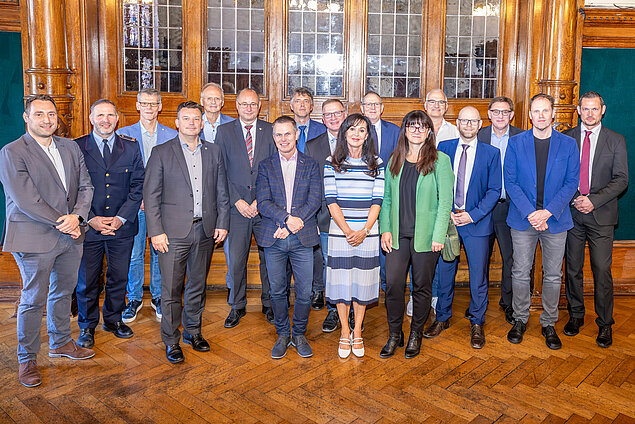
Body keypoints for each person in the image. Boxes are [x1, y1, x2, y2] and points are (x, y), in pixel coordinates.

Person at [0, 94, 95, 387]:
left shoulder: (69, 146)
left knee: (63, 292)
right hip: (34, 236)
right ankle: (26, 358)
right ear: (27, 118)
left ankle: (61, 342)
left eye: (51, 114)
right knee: (32, 299)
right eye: (39, 114)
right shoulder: (13, 151)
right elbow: (26, 199)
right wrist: (63, 221)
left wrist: (77, 217)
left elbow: (86, 186)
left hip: (72, 233)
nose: (47, 120)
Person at [143, 101, 230, 363]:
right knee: (171, 290)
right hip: (171, 234)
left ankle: (193, 331)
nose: (192, 123)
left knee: (196, 286)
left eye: (196, 119)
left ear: (202, 123)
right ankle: (171, 340)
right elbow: (151, 194)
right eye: (186, 119)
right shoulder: (161, 152)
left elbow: (222, 193)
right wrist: (155, 232)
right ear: (177, 123)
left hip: (204, 231)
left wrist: (223, 222)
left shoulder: (214, 152)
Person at [504, 93, 579, 350]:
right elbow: (510, 182)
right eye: (536, 111)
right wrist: (531, 213)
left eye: (545, 111)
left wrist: (547, 212)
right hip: (523, 219)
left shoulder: (568, 145)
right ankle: (520, 319)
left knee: (553, 275)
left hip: (555, 220)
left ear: (553, 114)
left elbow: (571, 183)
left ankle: (549, 322)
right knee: (520, 272)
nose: (540, 115)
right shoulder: (515, 143)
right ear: (530, 115)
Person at [378, 110, 453, 359]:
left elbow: (445, 203)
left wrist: (438, 235)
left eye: (422, 126)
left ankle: (415, 333)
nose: (417, 130)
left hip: (426, 236)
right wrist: (385, 230)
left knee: (421, 287)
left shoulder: (440, 160)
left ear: (429, 131)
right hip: (397, 235)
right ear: (405, 130)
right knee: (394, 285)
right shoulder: (394, 159)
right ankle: (394, 334)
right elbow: (387, 199)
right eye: (412, 126)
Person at [74, 99, 145, 349]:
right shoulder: (76, 147)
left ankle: (113, 320)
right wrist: (91, 218)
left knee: (119, 277)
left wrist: (120, 218)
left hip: (121, 227)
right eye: (100, 115)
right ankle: (87, 325)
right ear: (91, 118)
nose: (105, 120)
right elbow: (71, 188)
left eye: (110, 115)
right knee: (87, 280)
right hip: (88, 227)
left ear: (117, 119)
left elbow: (138, 186)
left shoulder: (131, 148)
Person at [432, 106, 501, 349]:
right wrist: (447, 211)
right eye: (464, 120)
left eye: (473, 121)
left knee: (478, 276)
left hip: (477, 223)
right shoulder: (444, 148)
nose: (468, 125)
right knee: (445, 272)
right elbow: (436, 183)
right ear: (457, 122)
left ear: (480, 124)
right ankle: (442, 317)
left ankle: (477, 321)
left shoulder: (491, 153)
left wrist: (472, 215)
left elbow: (494, 190)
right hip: (448, 222)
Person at [563, 91, 628, 348]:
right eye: (585, 109)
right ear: (578, 110)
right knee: (572, 268)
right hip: (571, 213)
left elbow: (622, 179)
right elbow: (560, 175)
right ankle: (576, 315)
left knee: (601, 271)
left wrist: (593, 199)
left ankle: (605, 324)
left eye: (594, 109)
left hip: (601, 215)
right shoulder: (566, 138)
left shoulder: (616, 140)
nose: (589, 114)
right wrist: (575, 198)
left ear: (603, 110)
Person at [255, 116, 322, 359]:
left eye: (287, 134)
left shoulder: (311, 164)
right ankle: (283, 334)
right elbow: (263, 202)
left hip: (302, 238)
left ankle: (300, 333)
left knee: (304, 291)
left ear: (296, 135)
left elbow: (315, 200)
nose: (283, 139)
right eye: (278, 135)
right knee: (277, 291)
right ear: (273, 138)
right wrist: (285, 220)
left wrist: (292, 224)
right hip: (274, 236)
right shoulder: (265, 166)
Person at [324, 113, 384, 359]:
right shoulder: (332, 162)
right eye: (352, 130)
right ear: (344, 134)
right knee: (341, 283)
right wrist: (349, 231)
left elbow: (377, 199)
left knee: (363, 282)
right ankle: (344, 331)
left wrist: (364, 231)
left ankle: (358, 330)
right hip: (340, 233)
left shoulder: (377, 163)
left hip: (368, 233)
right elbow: (331, 200)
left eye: (361, 130)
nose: (356, 135)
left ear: (367, 135)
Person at [216, 88, 276, 328]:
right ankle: (237, 305)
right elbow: (219, 171)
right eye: (244, 104)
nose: (249, 108)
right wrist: (237, 201)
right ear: (236, 106)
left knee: (268, 258)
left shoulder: (270, 130)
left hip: (265, 207)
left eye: (253, 104)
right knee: (237, 259)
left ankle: (269, 303)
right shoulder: (224, 132)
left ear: (259, 107)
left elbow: (275, 169)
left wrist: (260, 201)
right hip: (236, 207)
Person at [117, 88, 178, 323]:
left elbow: (174, 173)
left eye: (154, 104)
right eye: (145, 103)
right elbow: (122, 174)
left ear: (160, 106)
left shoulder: (172, 135)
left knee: (159, 251)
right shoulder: (123, 135)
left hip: (162, 206)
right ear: (137, 105)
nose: (149, 108)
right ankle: (133, 298)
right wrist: (139, 199)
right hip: (134, 205)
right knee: (134, 253)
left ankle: (158, 296)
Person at [477, 96, 523, 325]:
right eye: (496, 112)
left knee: (510, 258)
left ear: (512, 115)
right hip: (483, 208)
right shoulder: (479, 135)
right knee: (480, 259)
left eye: (505, 112)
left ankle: (508, 303)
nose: (501, 116)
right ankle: (479, 304)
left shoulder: (522, 137)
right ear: (489, 113)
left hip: (510, 208)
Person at [305, 99, 347, 328]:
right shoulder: (313, 145)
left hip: (354, 215)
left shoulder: (358, 138)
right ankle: (333, 310)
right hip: (324, 217)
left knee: (351, 264)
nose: (333, 118)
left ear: (345, 114)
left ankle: (351, 308)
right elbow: (312, 183)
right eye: (328, 115)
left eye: (337, 113)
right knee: (330, 264)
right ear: (322, 119)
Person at [360, 91, 400, 295]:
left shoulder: (395, 131)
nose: (372, 108)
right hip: (362, 198)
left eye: (376, 104)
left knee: (387, 243)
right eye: (368, 105)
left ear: (382, 108)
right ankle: (365, 290)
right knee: (365, 246)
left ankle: (387, 288)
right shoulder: (355, 131)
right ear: (362, 108)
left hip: (389, 197)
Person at [198, 82, 235, 304]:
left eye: (217, 99)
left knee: (230, 244)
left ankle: (232, 285)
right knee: (199, 246)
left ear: (222, 102)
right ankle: (197, 289)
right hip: (198, 192)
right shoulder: (193, 123)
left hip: (225, 191)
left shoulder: (232, 125)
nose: (213, 102)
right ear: (202, 101)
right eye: (209, 98)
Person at [424, 88, 459, 312]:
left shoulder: (455, 132)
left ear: (446, 107)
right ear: (425, 105)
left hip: (445, 199)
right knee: (420, 251)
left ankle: (436, 295)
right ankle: (419, 296)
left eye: (441, 102)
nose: (436, 106)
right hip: (421, 201)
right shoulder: (416, 128)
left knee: (440, 250)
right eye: (432, 102)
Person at [289, 87, 326, 153]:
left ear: (311, 106)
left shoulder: (323, 130)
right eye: (298, 101)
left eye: (306, 101)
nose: (302, 105)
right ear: (291, 106)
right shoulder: (284, 130)